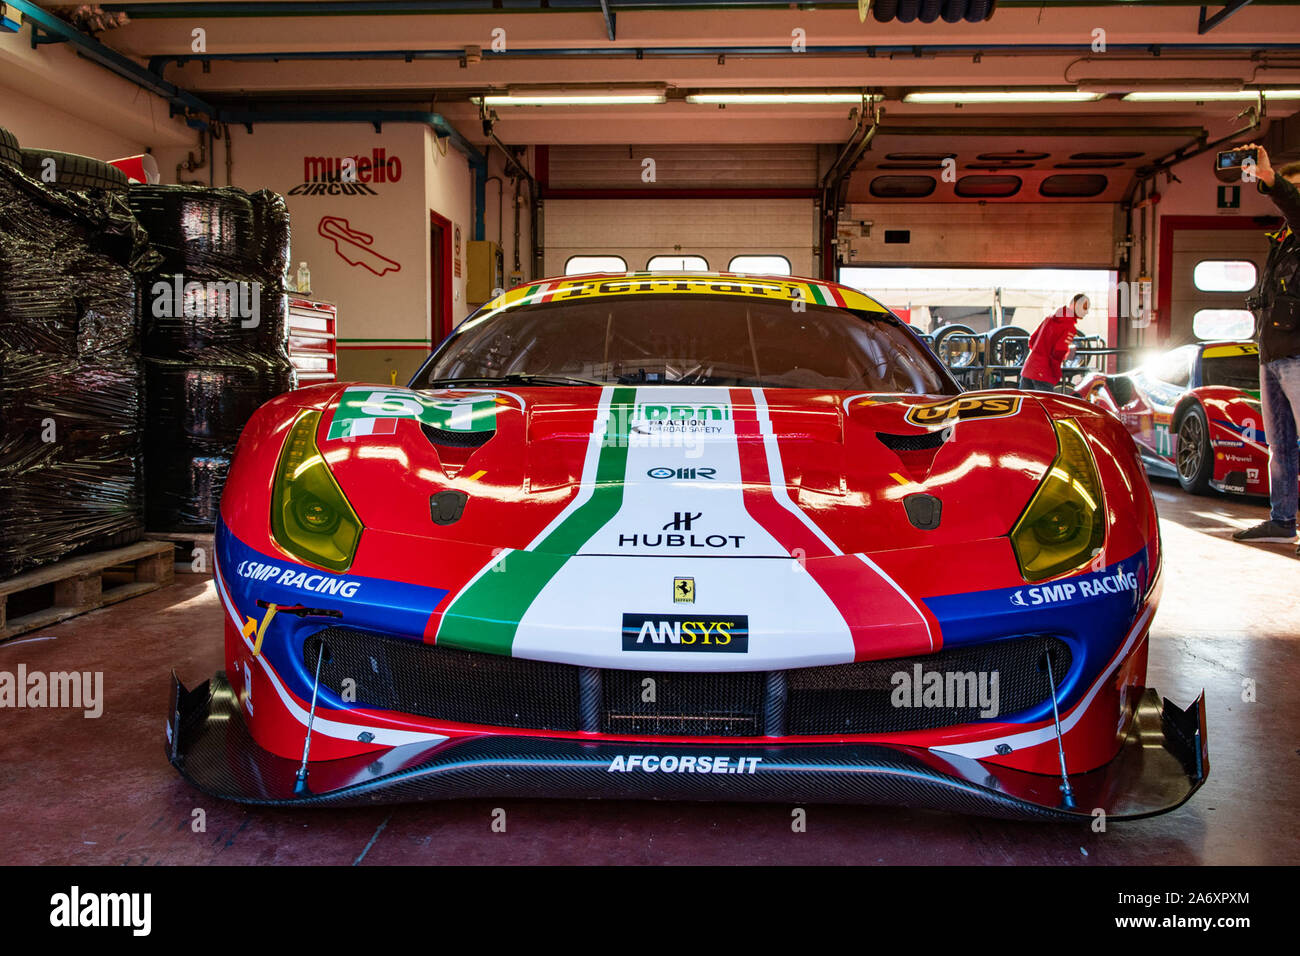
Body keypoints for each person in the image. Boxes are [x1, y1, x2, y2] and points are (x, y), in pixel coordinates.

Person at [1231, 145, 1300, 550]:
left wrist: (1273, 181)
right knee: (1280, 444)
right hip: (1273, 352)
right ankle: (1282, 519)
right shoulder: (1283, 240)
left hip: (1297, 353)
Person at [1019, 294, 1089, 392]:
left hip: (1028, 368)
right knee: (1046, 406)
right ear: (1074, 305)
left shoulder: (1050, 317)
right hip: (1044, 373)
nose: (1086, 312)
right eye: (1084, 307)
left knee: (1026, 405)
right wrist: (1056, 373)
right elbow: (1059, 351)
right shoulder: (1069, 327)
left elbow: (1031, 341)